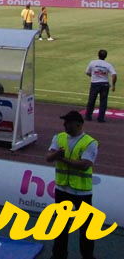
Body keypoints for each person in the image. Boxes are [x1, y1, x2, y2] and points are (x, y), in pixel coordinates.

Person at [45, 110, 99, 259]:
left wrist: (61, 159)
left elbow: (84, 165)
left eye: (68, 123)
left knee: (86, 227)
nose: (64, 125)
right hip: (62, 189)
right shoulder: (59, 137)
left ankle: (87, 256)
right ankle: (59, 255)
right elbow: (48, 157)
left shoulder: (90, 142)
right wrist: (56, 155)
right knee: (61, 225)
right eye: (64, 122)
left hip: (82, 192)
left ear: (79, 124)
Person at [84, 49, 117, 122]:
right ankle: (101, 118)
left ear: (98, 55)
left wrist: (93, 76)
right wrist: (113, 85)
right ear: (106, 56)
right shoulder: (108, 65)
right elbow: (114, 75)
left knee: (91, 100)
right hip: (104, 84)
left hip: (95, 84)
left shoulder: (92, 63)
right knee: (103, 102)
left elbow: (87, 72)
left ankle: (88, 116)